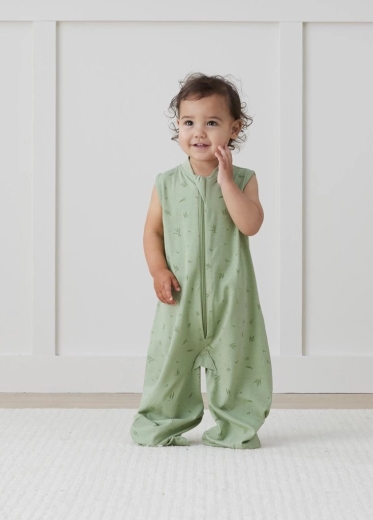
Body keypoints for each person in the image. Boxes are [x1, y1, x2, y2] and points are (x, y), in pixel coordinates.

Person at [130, 72, 273, 449]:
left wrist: (226, 181)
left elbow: (251, 224)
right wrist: (158, 270)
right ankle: (160, 422)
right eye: (188, 122)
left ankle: (237, 426)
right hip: (181, 295)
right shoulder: (166, 182)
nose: (199, 133)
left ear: (233, 129)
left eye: (211, 123)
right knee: (170, 363)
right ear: (177, 127)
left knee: (236, 364)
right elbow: (152, 232)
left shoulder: (244, 179)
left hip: (231, 296)